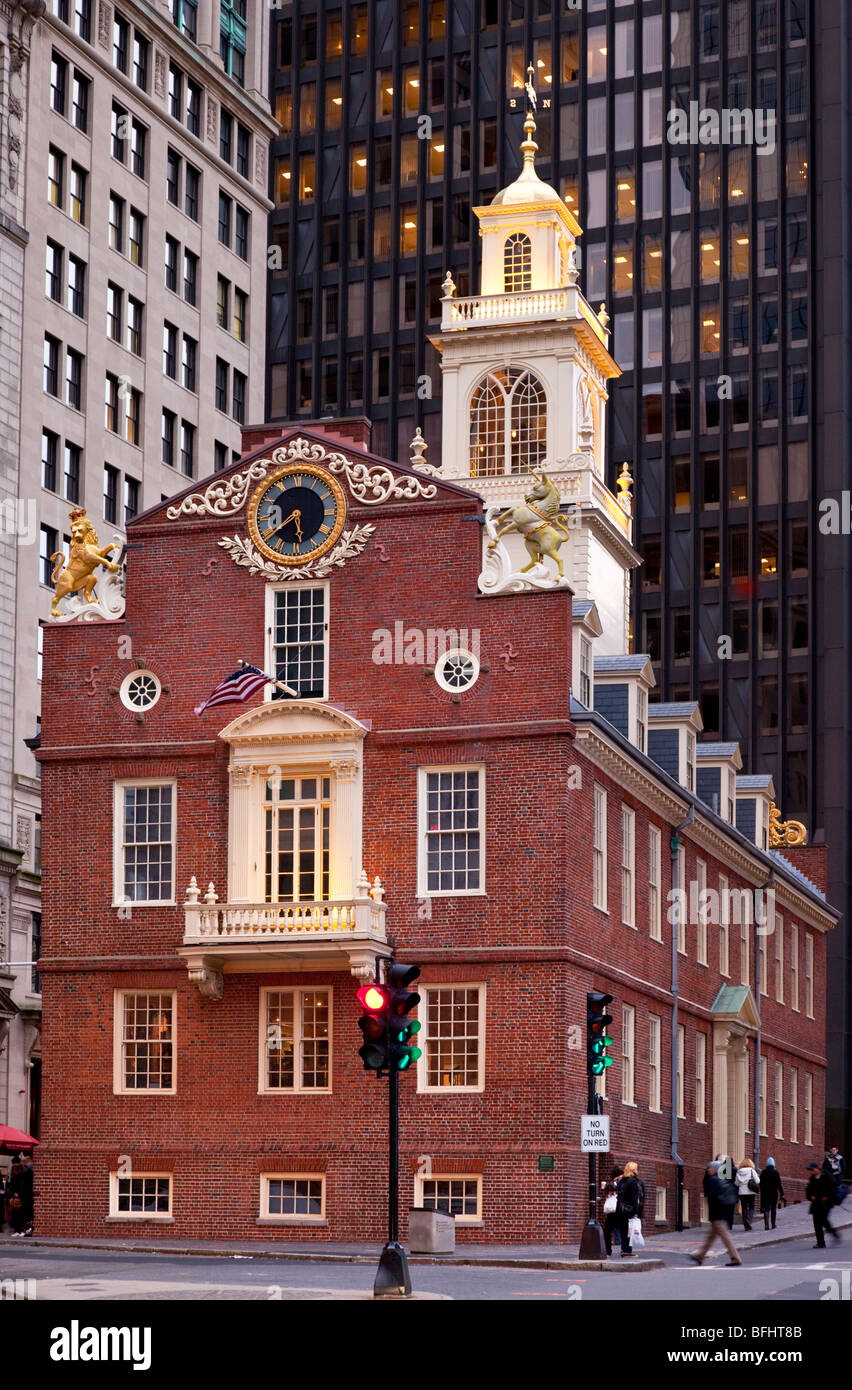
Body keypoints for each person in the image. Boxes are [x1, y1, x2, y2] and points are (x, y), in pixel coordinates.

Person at [691, 1161, 742, 1266]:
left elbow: (713, 1197)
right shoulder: (722, 1180)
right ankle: (700, 1255)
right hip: (721, 1212)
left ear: (715, 1169)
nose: (708, 1169)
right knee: (711, 1237)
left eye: (710, 1168)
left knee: (725, 1237)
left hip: (717, 1213)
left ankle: (735, 1257)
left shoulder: (713, 1180)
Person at [615, 1160, 645, 1258]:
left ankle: (624, 1250)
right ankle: (627, 1251)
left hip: (620, 1209)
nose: (638, 1171)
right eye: (636, 1169)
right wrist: (636, 1213)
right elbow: (634, 1199)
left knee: (624, 1230)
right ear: (633, 1170)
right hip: (629, 1209)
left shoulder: (621, 1181)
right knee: (629, 1231)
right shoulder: (634, 1182)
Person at [807, 1161, 841, 1248]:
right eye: (811, 1170)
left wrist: (827, 1196)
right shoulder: (813, 1178)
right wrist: (811, 1196)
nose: (812, 1171)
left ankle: (835, 1234)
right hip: (816, 1203)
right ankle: (820, 1243)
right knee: (816, 1223)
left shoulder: (827, 1176)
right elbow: (808, 1189)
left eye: (813, 1169)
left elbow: (833, 1187)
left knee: (823, 1220)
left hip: (826, 1203)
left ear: (817, 1169)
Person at [7, 1156, 34, 1236]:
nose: (15, 1165)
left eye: (16, 1164)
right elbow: (13, 1183)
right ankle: (17, 1230)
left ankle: (24, 1231)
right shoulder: (14, 1171)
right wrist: (13, 1193)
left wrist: (19, 1193)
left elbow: (26, 1185)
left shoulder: (26, 1172)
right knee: (16, 1214)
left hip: (25, 1196)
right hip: (17, 1196)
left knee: (24, 1215)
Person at [735, 1157, 761, 1231]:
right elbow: (758, 1181)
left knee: (744, 1208)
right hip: (750, 1192)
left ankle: (746, 1225)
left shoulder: (738, 1171)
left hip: (742, 1192)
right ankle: (749, 1220)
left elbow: (736, 1183)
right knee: (751, 1207)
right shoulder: (752, 1171)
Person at [601, 1165, 621, 1257]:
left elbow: (616, 1187)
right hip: (618, 1209)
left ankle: (608, 1250)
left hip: (615, 1209)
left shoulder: (618, 1181)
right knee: (620, 1229)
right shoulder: (620, 1180)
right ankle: (624, 1249)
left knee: (607, 1230)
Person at [759, 1157, 784, 1230]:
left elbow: (761, 1184)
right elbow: (779, 1184)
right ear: (773, 1164)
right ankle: (773, 1224)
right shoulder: (776, 1172)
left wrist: (762, 1191)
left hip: (765, 1193)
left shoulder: (763, 1172)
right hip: (774, 1193)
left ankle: (766, 1224)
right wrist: (782, 1193)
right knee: (773, 1208)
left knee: (766, 1208)